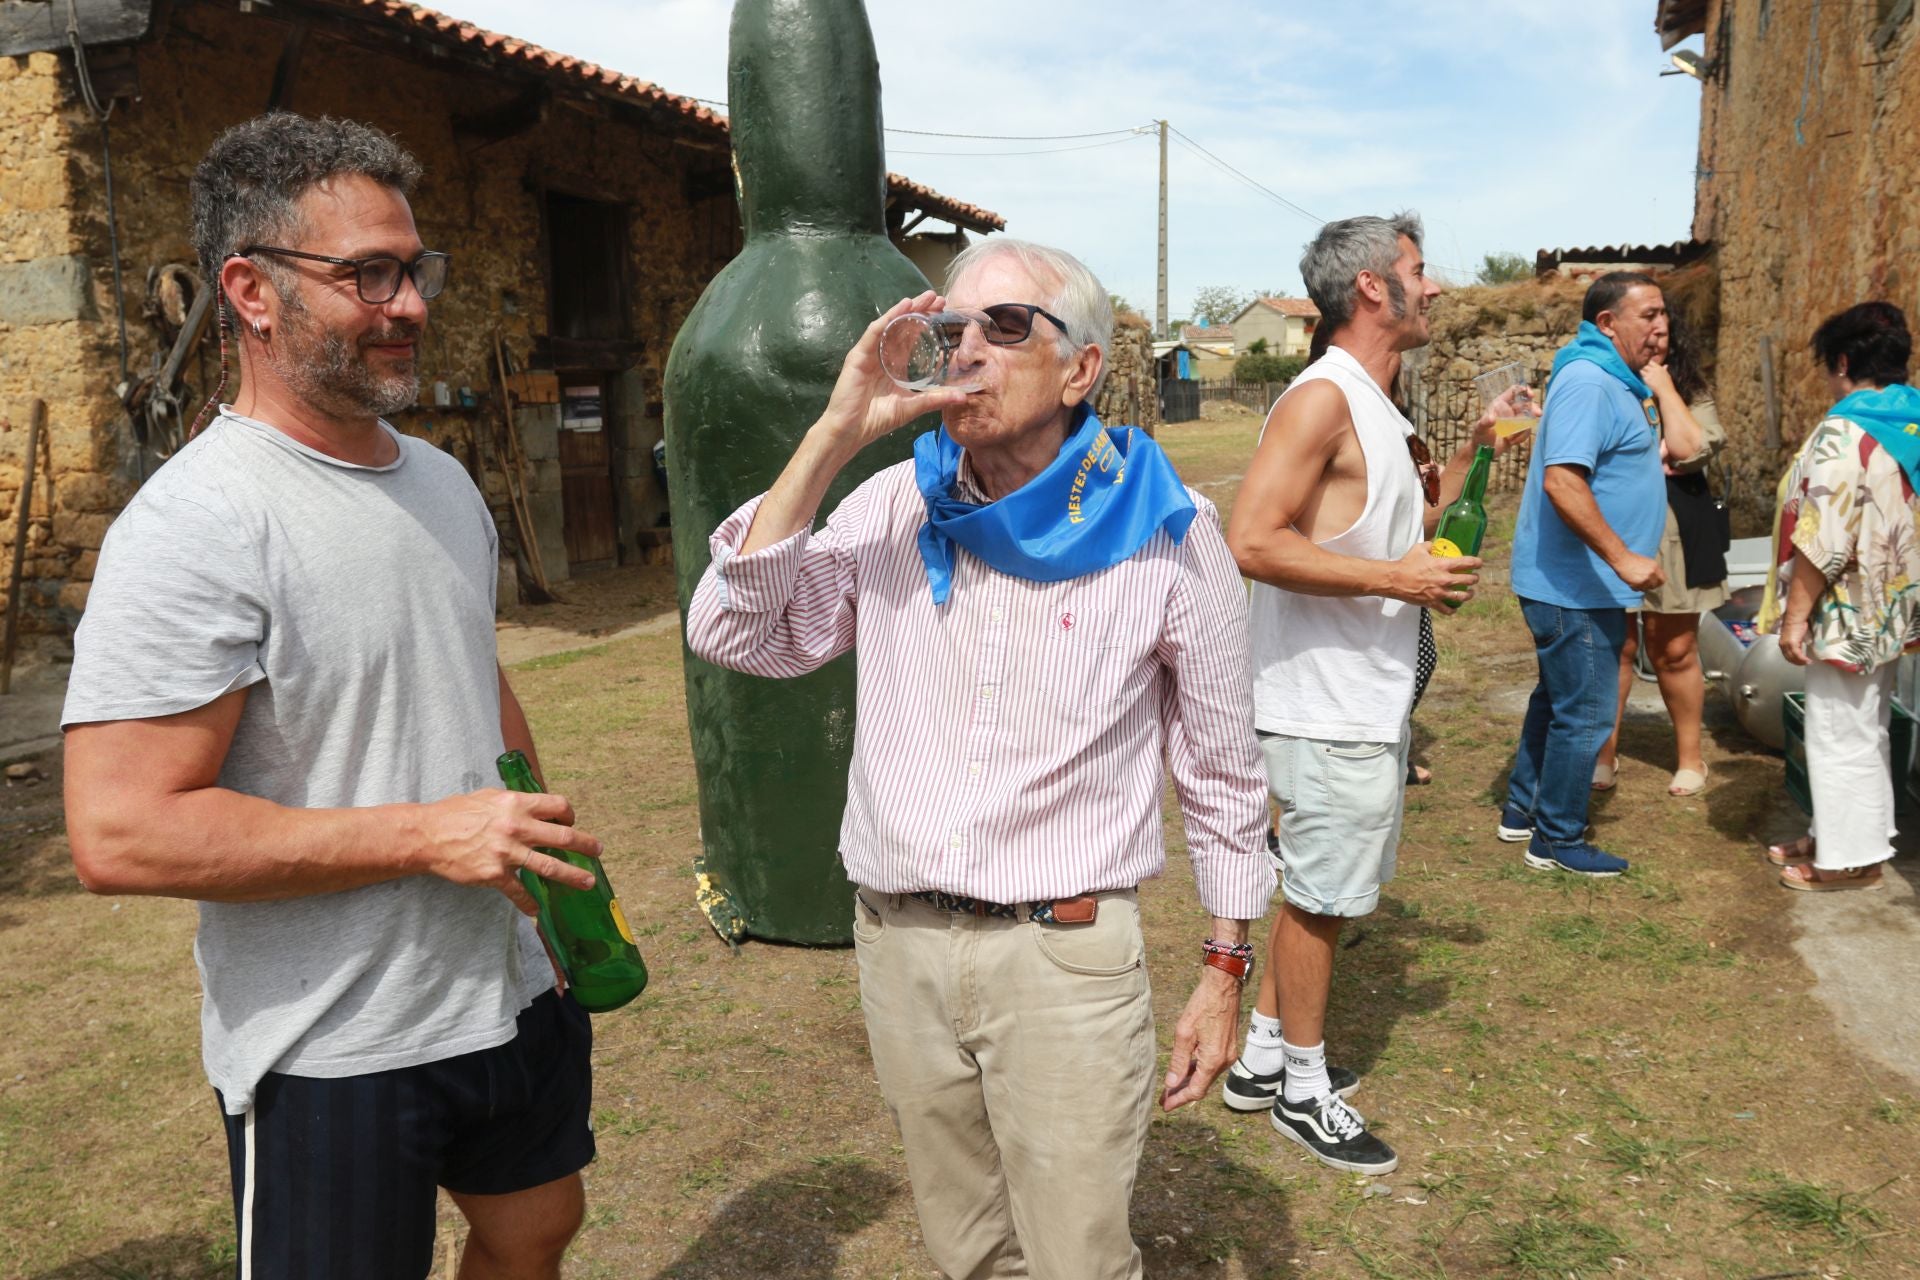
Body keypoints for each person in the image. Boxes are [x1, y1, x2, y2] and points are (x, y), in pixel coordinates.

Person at [61, 113, 604, 1279]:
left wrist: (544, 882)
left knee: (534, 1228)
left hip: (504, 984)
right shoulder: (198, 522)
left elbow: (468, 670)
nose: (409, 304)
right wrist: (428, 834)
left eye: (414, 269)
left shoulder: (442, 481)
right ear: (251, 291)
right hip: (335, 1038)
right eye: (369, 274)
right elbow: (118, 829)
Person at [684, 238, 1275, 1279]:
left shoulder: (1170, 532)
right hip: (901, 948)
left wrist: (1224, 972)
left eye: (1005, 327)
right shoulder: (896, 504)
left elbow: (1223, 774)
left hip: (1062, 958)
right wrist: (832, 435)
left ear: (1081, 369)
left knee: (1078, 1260)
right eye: (952, 328)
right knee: (967, 1250)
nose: (965, 351)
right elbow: (734, 630)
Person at [1222, 212, 1493, 1176]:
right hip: (1322, 703)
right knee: (1322, 897)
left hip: (1359, 699)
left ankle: (1260, 1059)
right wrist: (1394, 580)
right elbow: (1251, 540)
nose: (1435, 285)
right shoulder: (1322, 398)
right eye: (1420, 268)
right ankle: (1303, 1090)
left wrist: (1481, 454)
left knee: (1318, 893)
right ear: (1373, 285)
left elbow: (1405, 534)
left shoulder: (1377, 404)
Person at [1498, 272, 1702, 876]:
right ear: (1608, 323)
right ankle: (1557, 839)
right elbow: (1564, 481)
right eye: (1648, 315)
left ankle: (1522, 811)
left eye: (1663, 314)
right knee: (1585, 713)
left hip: (1582, 583)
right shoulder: (1590, 381)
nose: (1661, 326)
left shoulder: (1617, 380)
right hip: (1576, 584)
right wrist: (1624, 557)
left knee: (1558, 700)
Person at [1762, 302, 1920, 890]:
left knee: (1838, 732)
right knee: (1865, 724)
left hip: (1846, 607)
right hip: (1893, 604)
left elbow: (1822, 535)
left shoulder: (1846, 430)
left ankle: (1850, 860)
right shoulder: (1911, 423)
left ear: (1845, 362)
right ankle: (1839, 835)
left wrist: (1794, 617)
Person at [1593, 310, 1729, 797]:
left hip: (1676, 529)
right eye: (1647, 324)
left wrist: (1665, 388)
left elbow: (1692, 451)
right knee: (1614, 646)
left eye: (1664, 328)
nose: (1655, 335)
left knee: (1673, 649)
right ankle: (1603, 754)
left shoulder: (1688, 388)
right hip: (1612, 526)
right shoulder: (1602, 382)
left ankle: (1691, 759)